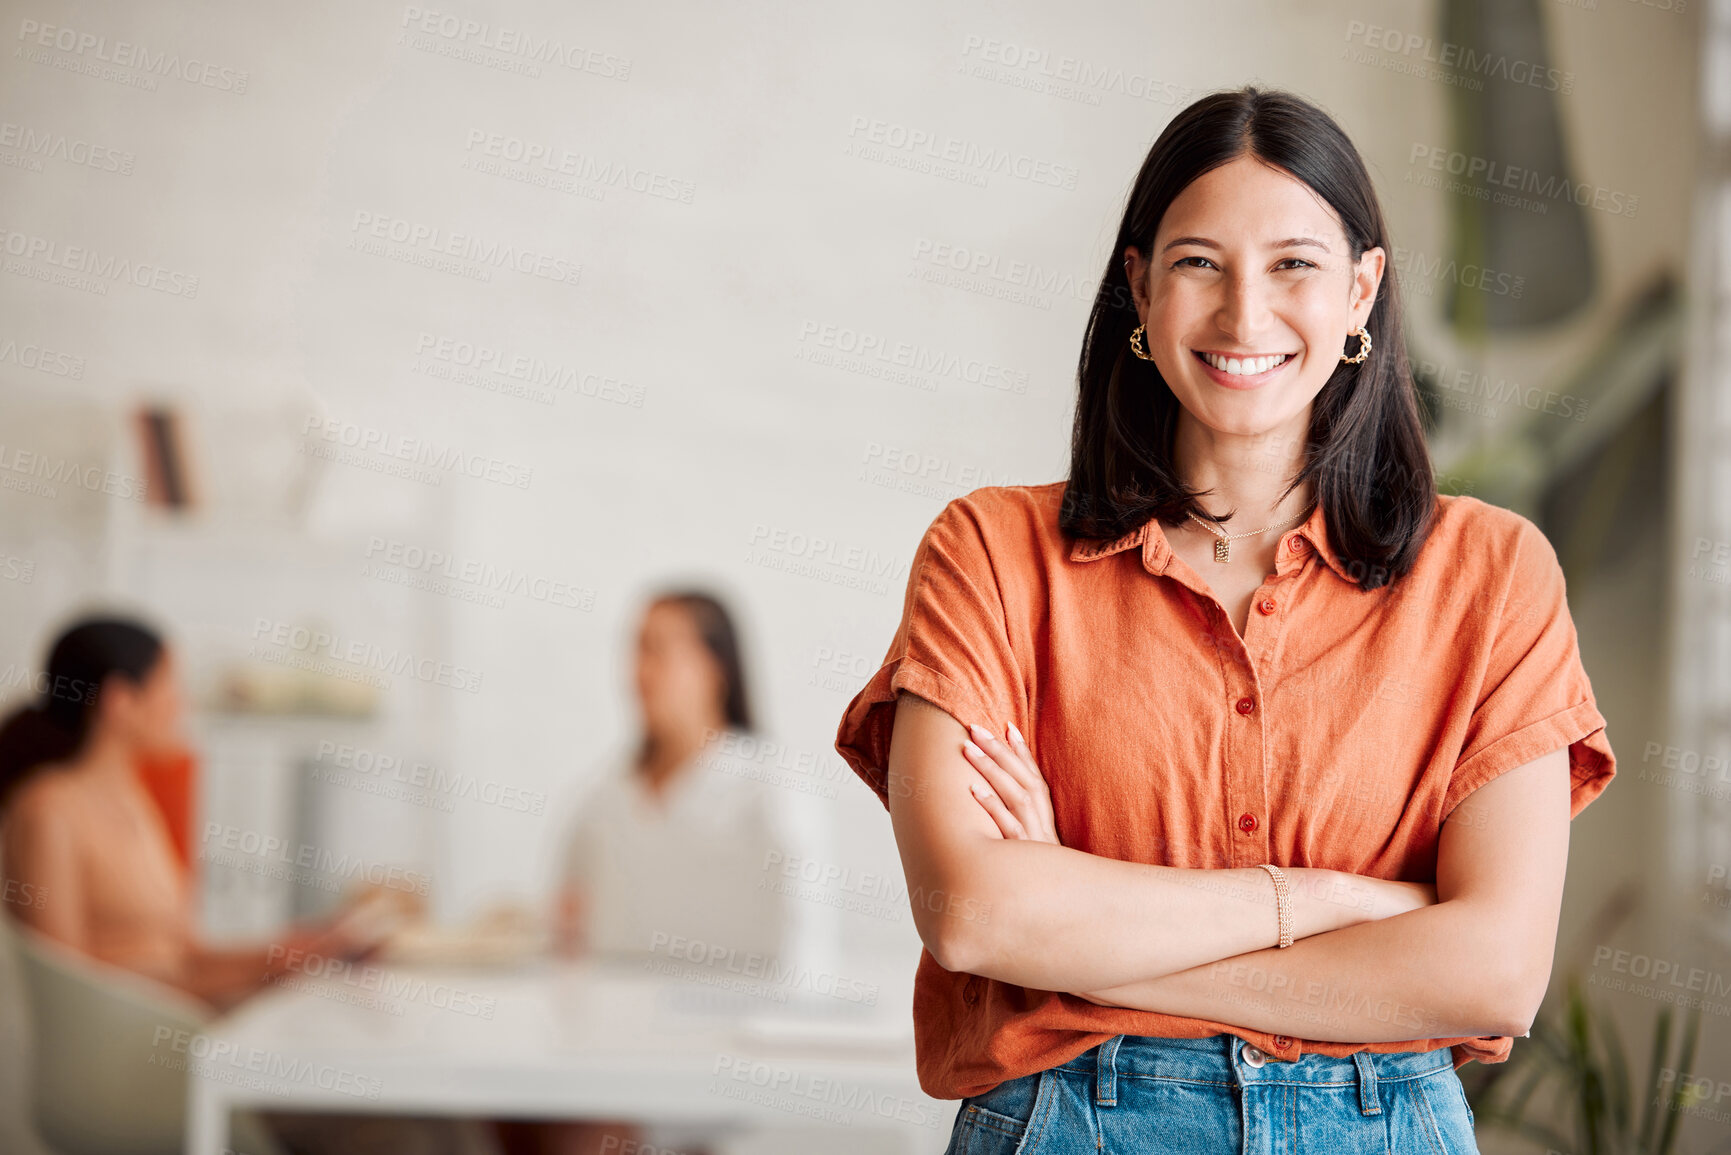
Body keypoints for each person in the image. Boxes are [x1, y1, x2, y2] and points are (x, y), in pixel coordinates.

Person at [834, 86, 1616, 1154]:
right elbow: (974, 916)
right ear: (1140, 290)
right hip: (1073, 1121)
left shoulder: (1493, 572)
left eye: (1294, 264)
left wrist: (1080, 927)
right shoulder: (990, 554)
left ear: (1362, 292)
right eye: (1200, 262)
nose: (1245, 315)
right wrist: (1337, 900)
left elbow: (1493, 971)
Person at [496, 589, 791, 1155]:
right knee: (495, 1117)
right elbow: (562, 928)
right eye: (634, 651)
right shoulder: (601, 796)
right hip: (594, 1050)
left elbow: (798, 959)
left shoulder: (770, 796)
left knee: (583, 1138)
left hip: (713, 1060)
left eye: (659, 651)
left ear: (716, 668)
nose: (638, 673)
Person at [0, 615, 386, 1011]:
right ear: (121, 700)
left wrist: (309, 946)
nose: (183, 704)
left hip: (168, 1021)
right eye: (170, 685)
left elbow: (188, 956)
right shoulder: (46, 809)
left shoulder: (133, 799)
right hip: (116, 1039)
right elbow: (63, 985)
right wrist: (278, 961)